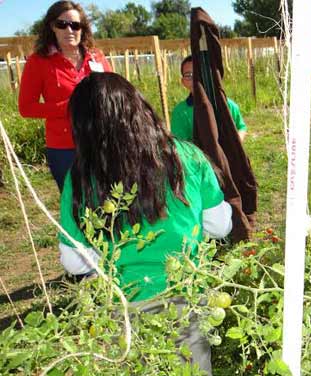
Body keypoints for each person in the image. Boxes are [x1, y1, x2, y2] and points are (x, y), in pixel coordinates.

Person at [58, 72, 232, 374]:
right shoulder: (187, 156)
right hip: (186, 298)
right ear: (139, 107)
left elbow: (74, 262)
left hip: (121, 307)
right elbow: (220, 227)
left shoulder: (81, 177)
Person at [18, 1, 111, 192]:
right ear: (52, 26)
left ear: (83, 28)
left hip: (101, 142)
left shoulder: (96, 57)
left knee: (109, 199)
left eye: (75, 25)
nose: (70, 30)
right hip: (64, 148)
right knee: (75, 203)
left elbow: (113, 93)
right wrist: (69, 106)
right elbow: (26, 108)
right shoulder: (39, 62)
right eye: (62, 24)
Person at [171, 55, 247, 143]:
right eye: (188, 75)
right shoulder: (180, 112)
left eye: (199, 74)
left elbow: (241, 127)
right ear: (183, 82)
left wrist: (236, 142)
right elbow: (181, 143)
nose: (195, 79)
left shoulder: (228, 105)